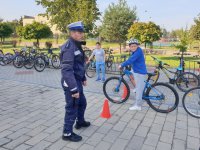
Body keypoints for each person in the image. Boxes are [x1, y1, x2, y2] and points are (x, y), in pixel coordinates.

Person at [60, 21, 90, 142]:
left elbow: (79, 64)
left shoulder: (76, 44)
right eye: (79, 32)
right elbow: (66, 70)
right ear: (72, 33)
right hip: (71, 82)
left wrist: (83, 78)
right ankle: (67, 133)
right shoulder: (69, 47)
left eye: (81, 32)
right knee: (71, 107)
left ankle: (80, 122)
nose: (81, 34)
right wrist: (73, 89)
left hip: (77, 80)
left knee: (82, 103)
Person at [119, 39, 147, 111]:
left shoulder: (138, 52)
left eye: (134, 46)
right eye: (131, 46)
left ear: (137, 46)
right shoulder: (135, 51)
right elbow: (131, 59)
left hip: (140, 72)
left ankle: (138, 106)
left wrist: (122, 65)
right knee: (130, 74)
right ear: (130, 47)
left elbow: (131, 60)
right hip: (136, 70)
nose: (133, 47)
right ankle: (138, 87)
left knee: (139, 90)